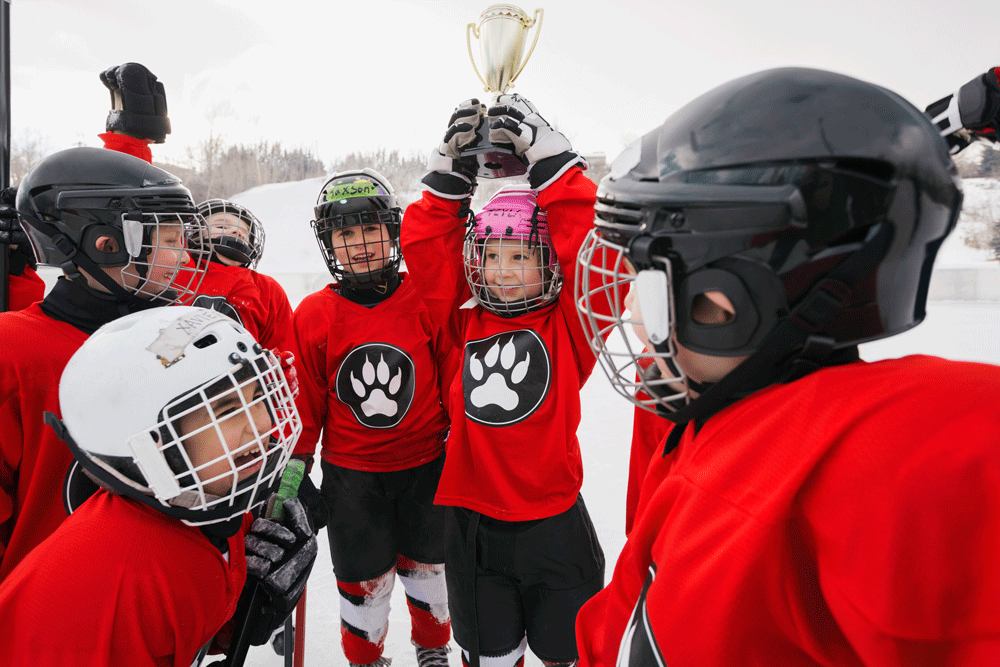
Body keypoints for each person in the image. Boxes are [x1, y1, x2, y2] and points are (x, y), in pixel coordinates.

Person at [573, 67, 1000, 665]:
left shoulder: (858, 461)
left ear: (728, 302)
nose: (636, 327)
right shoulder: (709, 406)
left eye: (646, 283)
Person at [402, 96, 610, 667]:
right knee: (489, 656)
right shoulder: (460, 324)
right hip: (473, 530)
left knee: (570, 653)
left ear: (549, 262)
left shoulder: (569, 327)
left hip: (555, 523)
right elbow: (424, 257)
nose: (503, 270)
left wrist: (556, 164)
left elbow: (595, 256)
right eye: (492, 256)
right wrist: (449, 179)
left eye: (521, 256)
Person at [0, 305, 316, 665]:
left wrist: (245, 613)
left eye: (258, 396)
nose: (261, 424)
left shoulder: (205, 507)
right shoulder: (116, 584)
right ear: (152, 445)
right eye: (227, 410)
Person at [0, 147, 212, 579]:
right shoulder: (13, 351)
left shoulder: (171, 344)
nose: (185, 259)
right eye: (170, 241)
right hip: (49, 628)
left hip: (146, 619)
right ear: (106, 243)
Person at [292, 169, 453, 667]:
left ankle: (432, 648)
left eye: (369, 228)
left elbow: (450, 377)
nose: (359, 243)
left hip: (426, 466)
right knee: (362, 578)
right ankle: (365, 658)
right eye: (345, 233)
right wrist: (295, 468)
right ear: (329, 244)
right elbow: (307, 402)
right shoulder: (314, 313)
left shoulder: (423, 297)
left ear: (391, 231)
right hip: (353, 478)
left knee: (431, 569)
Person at [188, 198, 294, 352]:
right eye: (221, 226)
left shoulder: (266, 288)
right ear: (196, 233)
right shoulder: (178, 267)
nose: (236, 232)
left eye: (244, 234)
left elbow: (283, 344)